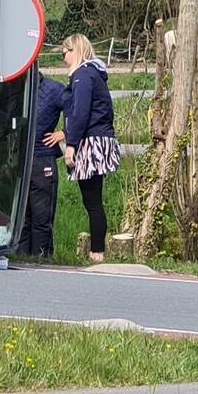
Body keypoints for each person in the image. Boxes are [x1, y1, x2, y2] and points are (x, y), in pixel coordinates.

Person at [62, 34, 121, 263]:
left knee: (92, 201)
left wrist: (71, 144)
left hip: (91, 141)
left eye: (64, 53)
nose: (63, 58)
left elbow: (80, 113)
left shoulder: (83, 76)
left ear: (74, 50)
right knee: (93, 199)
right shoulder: (94, 74)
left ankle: (97, 251)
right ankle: (97, 249)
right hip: (100, 138)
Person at [19, 71, 68, 258]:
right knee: (22, 218)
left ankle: (42, 256)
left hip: (42, 157)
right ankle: (21, 256)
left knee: (41, 215)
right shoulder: (15, 89)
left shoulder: (54, 89)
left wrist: (64, 133)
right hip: (19, 160)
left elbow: (79, 109)